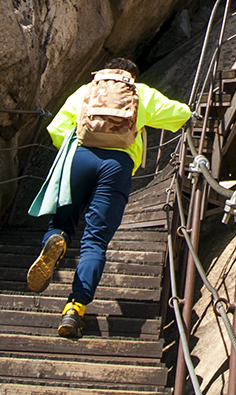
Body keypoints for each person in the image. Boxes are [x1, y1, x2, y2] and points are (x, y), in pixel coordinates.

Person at [27, 57, 191, 338]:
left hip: (79, 157)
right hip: (116, 165)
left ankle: (57, 241)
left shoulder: (86, 90)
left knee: (62, 222)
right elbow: (178, 114)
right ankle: (74, 309)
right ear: (132, 76)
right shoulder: (140, 93)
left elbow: (56, 128)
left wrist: (77, 147)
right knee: (95, 241)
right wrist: (189, 114)